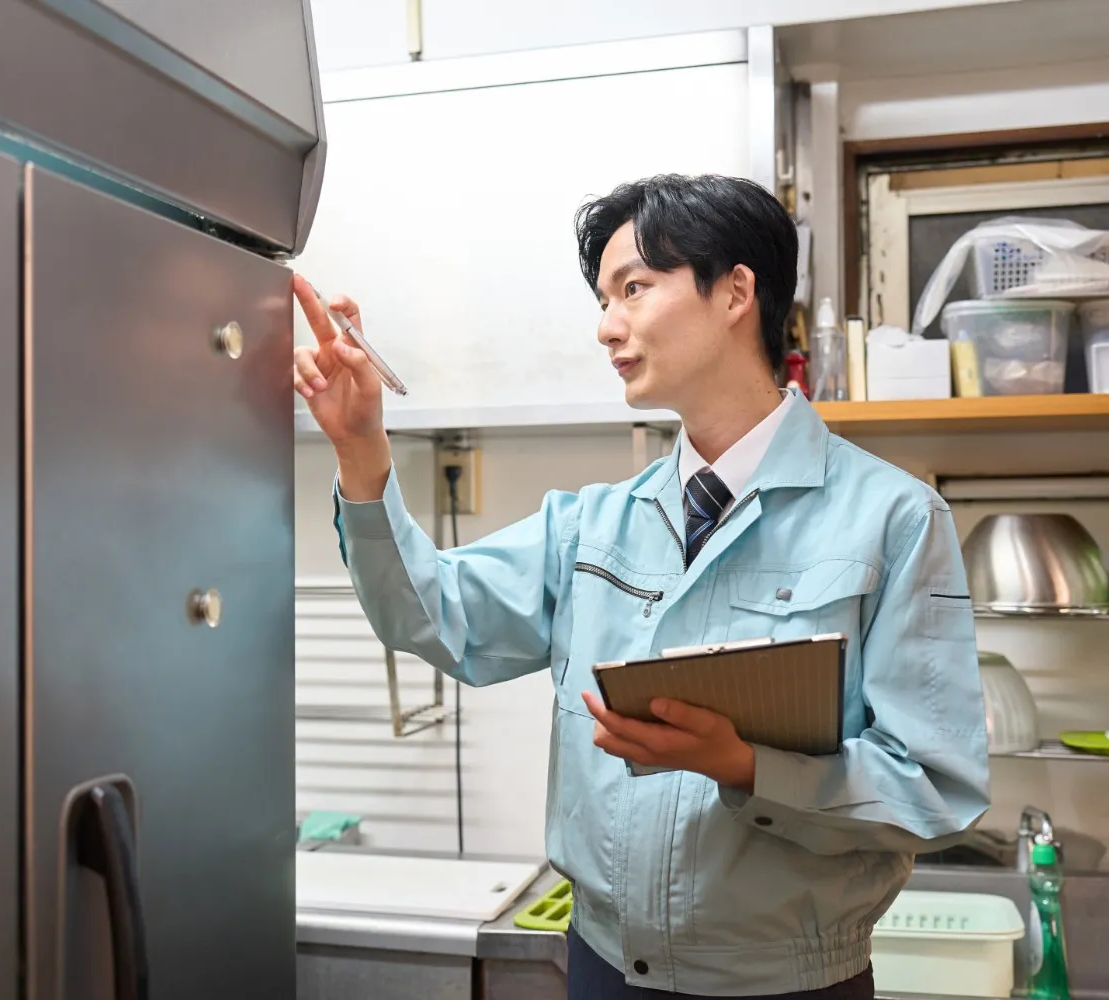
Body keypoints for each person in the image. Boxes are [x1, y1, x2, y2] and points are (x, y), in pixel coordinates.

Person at [290, 173, 989, 999]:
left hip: (788, 983)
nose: (605, 328)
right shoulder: (590, 525)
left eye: (633, 289)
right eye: (602, 299)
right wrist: (362, 450)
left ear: (734, 293)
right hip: (599, 968)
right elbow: (432, 615)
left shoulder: (893, 519)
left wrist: (746, 767)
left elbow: (936, 786)